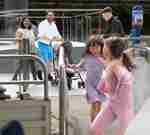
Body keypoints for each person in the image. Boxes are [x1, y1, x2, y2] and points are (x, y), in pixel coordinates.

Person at [91, 37, 135, 135]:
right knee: (95, 129)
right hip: (112, 105)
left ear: (109, 50)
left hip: (124, 108)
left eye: (105, 46)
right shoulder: (110, 62)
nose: (103, 48)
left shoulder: (115, 65)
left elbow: (124, 77)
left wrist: (117, 89)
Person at [72, 35, 106, 121]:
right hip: (90, 84)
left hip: (100, 84)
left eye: (97, 47)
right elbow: (79, 66)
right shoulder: (87, 57)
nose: (94, 49)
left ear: (101, 47)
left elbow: (109, 67)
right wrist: (74, 66)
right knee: (95, 102)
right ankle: (94, 124)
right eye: (92, 47)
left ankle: (95, 123)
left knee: (98, 105)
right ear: (88, 48)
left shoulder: (103, 57)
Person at [37, 11, 63, 80]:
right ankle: (43, 72)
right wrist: (52, 39)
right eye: (49, 15)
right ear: (46, 16)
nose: (50, 16)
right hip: (42, 43)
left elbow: (57, 34)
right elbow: (41, 35)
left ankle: (48, 74)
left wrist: (60, 39)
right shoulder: (42, 24)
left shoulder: (53, 25)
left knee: (51, 60)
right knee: (45, 60)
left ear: (54, 17)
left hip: (50, 44)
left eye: (51, 15)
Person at [14, 16, 37, 80]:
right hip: (23, 49)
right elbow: (17, 39)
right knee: (21, 64)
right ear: (22, 22)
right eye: (25, 21)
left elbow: (33, 39)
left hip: (32, 48)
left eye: (28, 21)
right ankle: (14, 77)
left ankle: (35, 78)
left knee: (33, 64)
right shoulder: (20, 30)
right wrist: (22, 39)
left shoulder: (31, 30)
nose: (27, 22)